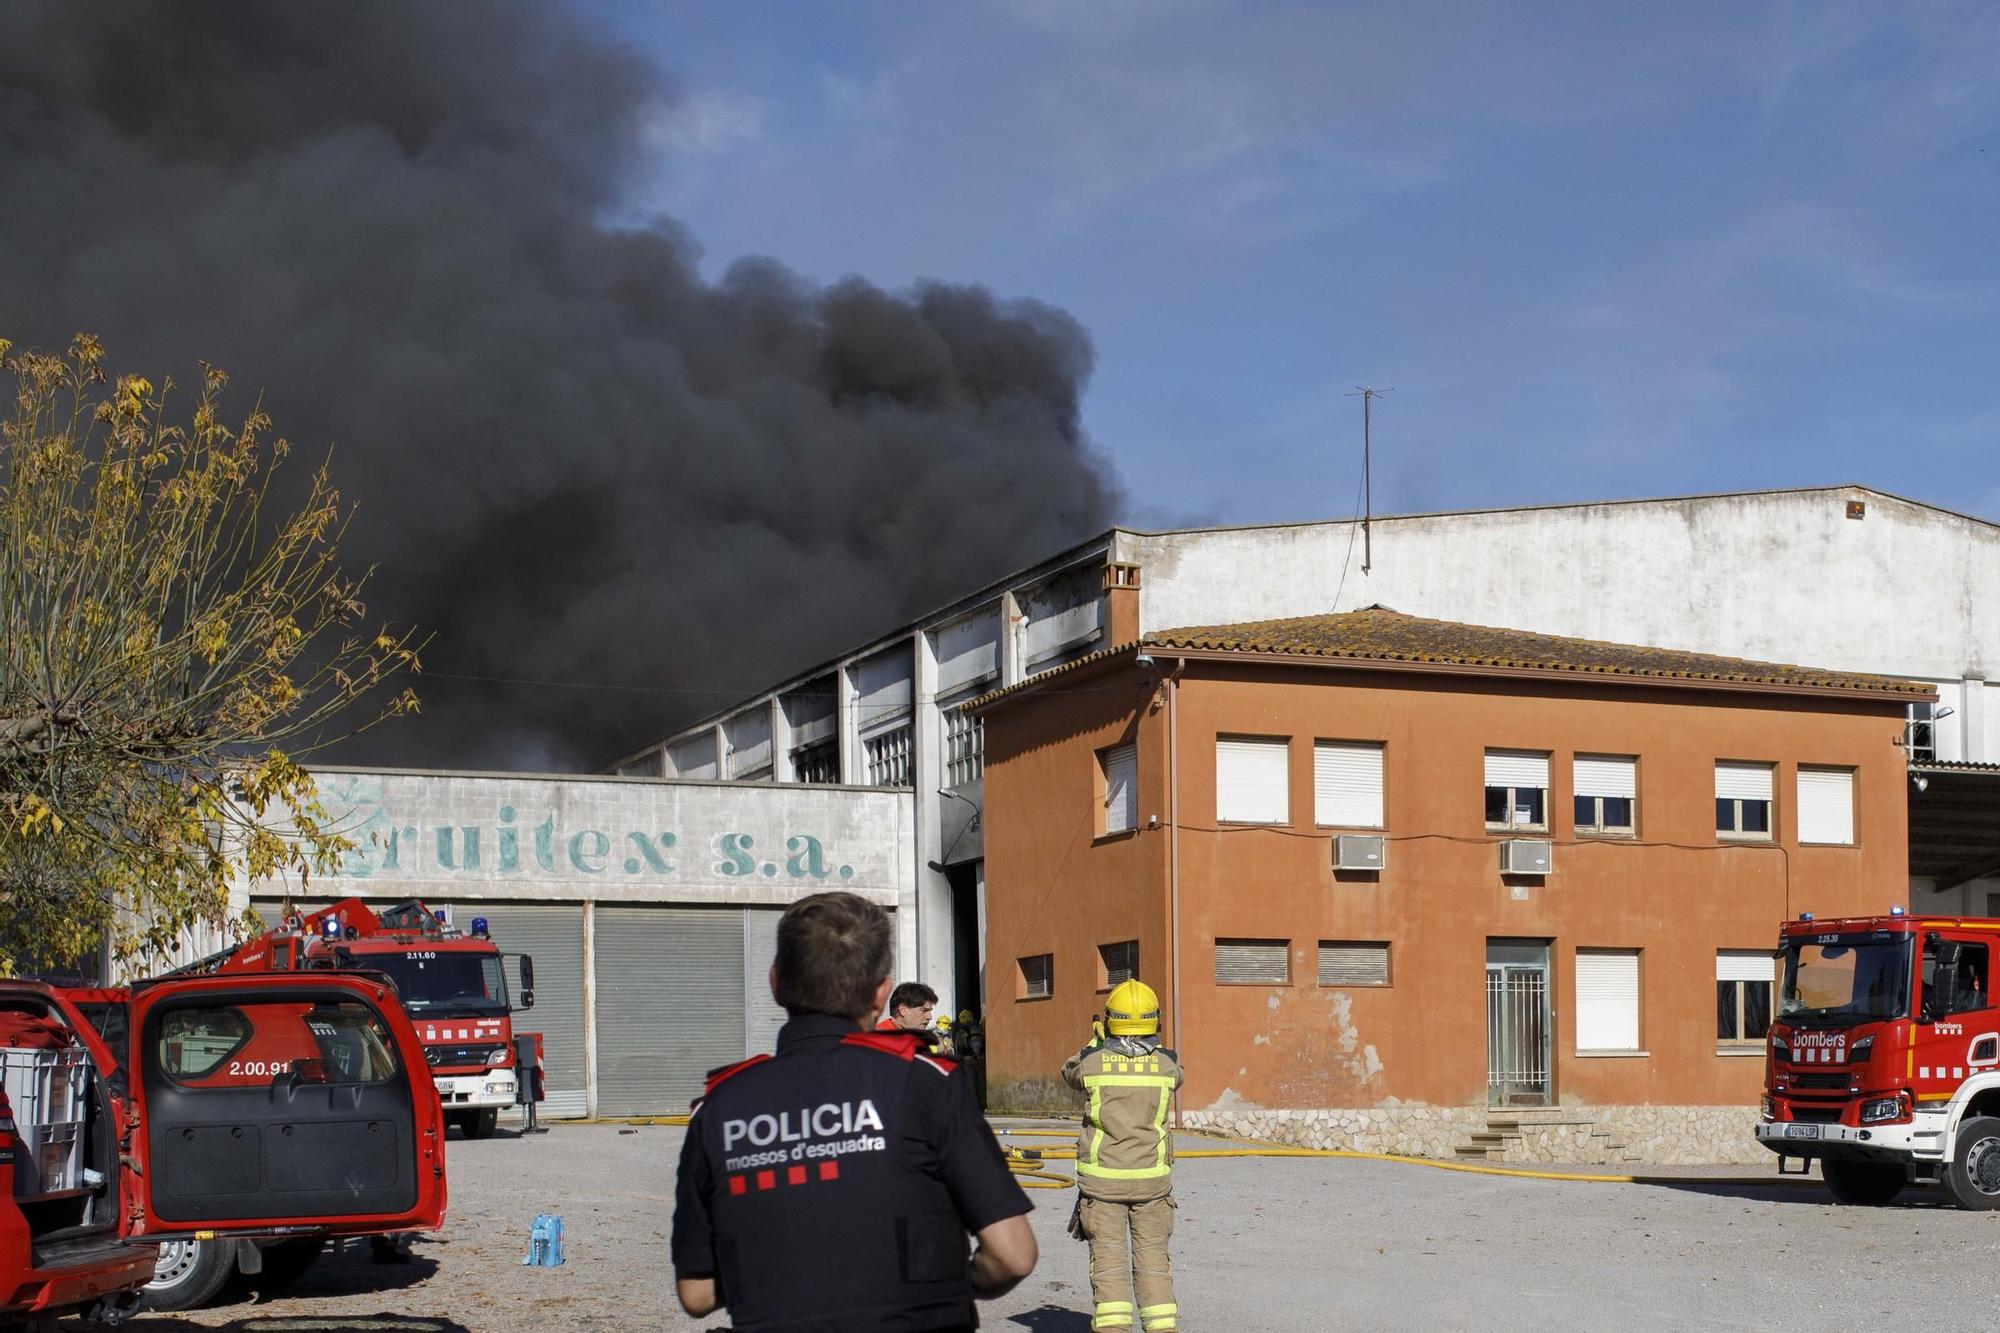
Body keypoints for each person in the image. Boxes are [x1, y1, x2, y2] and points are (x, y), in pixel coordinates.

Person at [672, 892, 1037, 1330]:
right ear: (883, 993)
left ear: (774, 982)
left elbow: (695, 1294)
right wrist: (941, 1284)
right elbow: (1013, 1255)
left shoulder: (718, 1106)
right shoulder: (924, 1081)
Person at [1061, 979, 1183, 1333]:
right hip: (1152, 1185)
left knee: (1109, 1268)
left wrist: (1096, 1041)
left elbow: (1069, 1072)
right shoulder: (1167, 1065)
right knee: (1154, 1264)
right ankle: (1161, 1328)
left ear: (1109, 1020)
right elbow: (1178, 1075)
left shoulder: (1093, 1062)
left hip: (1103, 1186)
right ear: (1155, 1021)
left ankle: (1114, 1328)